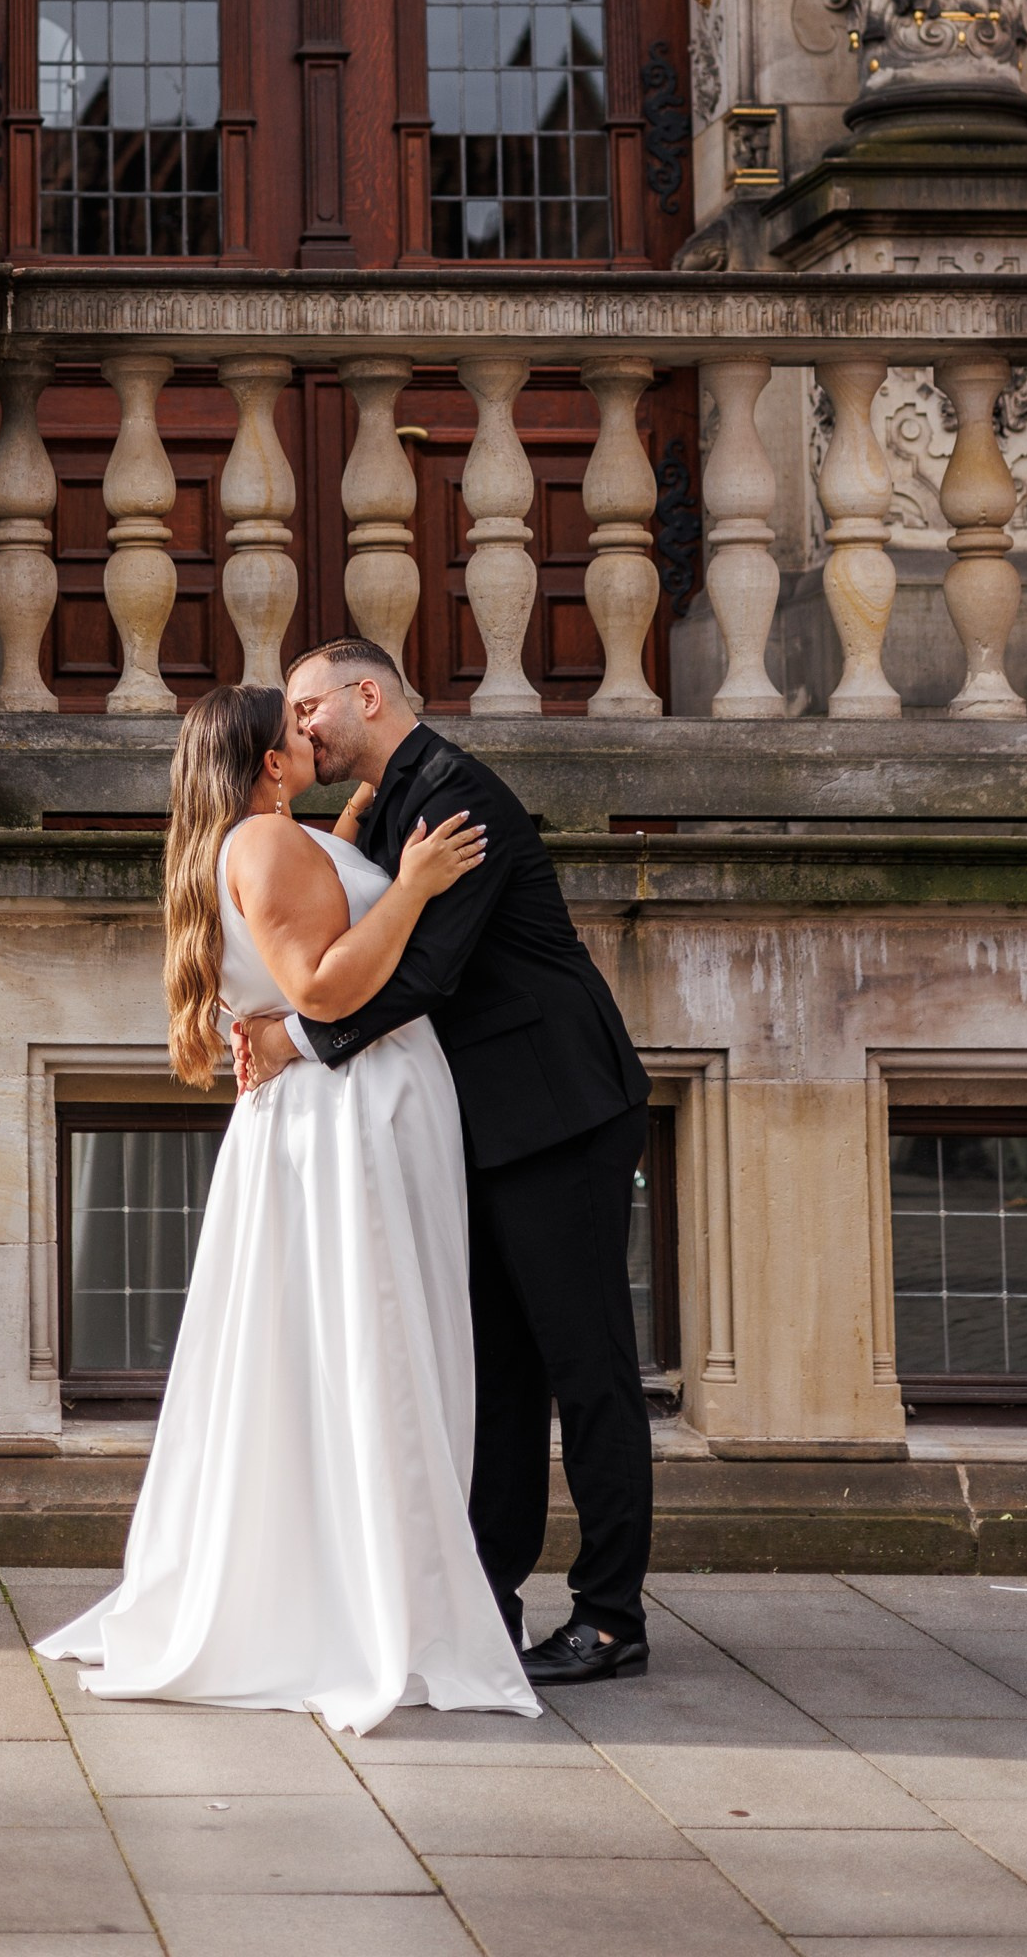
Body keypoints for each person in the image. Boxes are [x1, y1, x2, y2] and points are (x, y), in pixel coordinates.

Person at [37, 682, 539, 1735]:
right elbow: (319, 988)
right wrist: (407, 887)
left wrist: (356, 835)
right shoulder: (264, 849)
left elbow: (312, 895)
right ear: (268, 762)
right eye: (293, 727)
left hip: (341, 1111)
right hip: (345, 1117)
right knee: (371, 1345)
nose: (311, 732)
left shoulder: (274, 836)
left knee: (342, 1344)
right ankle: (367, 1609)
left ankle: (362, 1581)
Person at [237, 637, 655, 1687]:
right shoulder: (380, 803)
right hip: (477, 1124)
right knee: (499, 1379)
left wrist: (298, 1037)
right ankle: (485, 1599)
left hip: (559, 1112)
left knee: (586, 1367)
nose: (296, 729)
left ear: (364, 694)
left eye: (306, 707)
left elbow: (423, 968)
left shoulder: (456, 798)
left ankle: (611, 1616)